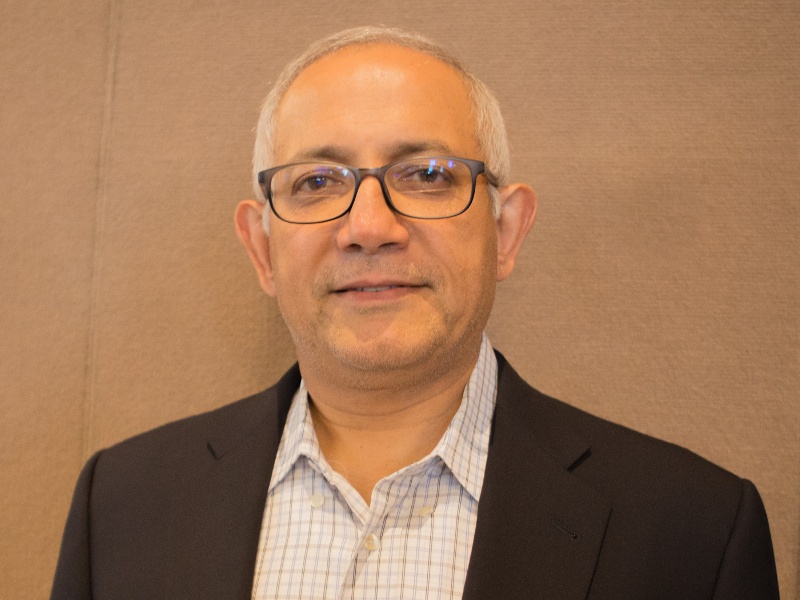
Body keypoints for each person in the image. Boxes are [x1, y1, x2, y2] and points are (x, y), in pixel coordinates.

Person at [50, 26, 780, 600]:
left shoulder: (692, 532)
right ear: (261, 248)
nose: (369, 226)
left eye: (427, 175)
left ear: (505, 232)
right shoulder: (120, 506)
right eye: (317, 181)